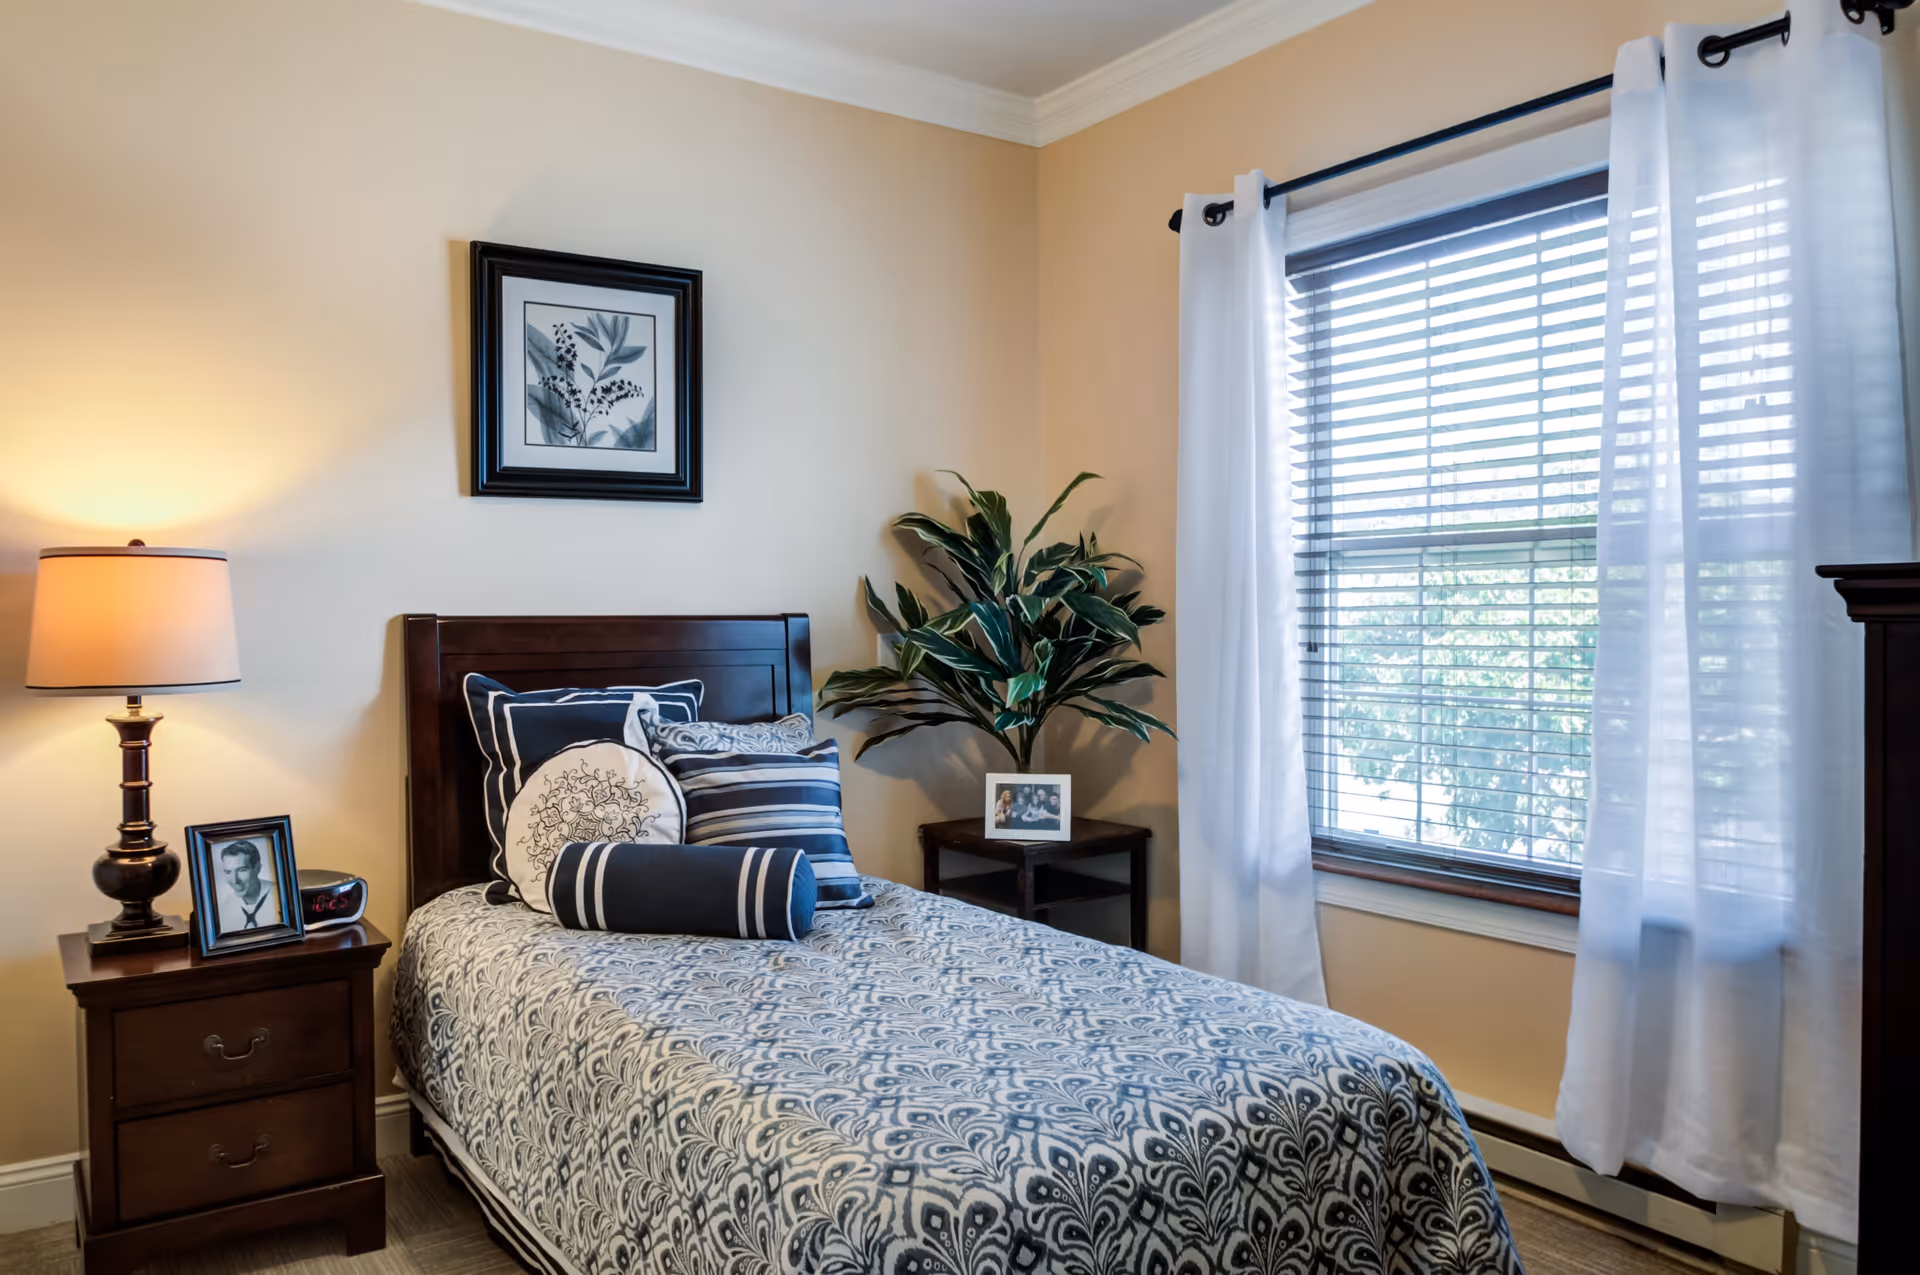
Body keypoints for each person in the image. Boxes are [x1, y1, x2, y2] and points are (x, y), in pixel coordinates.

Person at [214, 838, 280, 932]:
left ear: (257, 868)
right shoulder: (223, 908)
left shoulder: (282, 896)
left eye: (242, 870)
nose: (235, 880)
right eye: (228, 872)